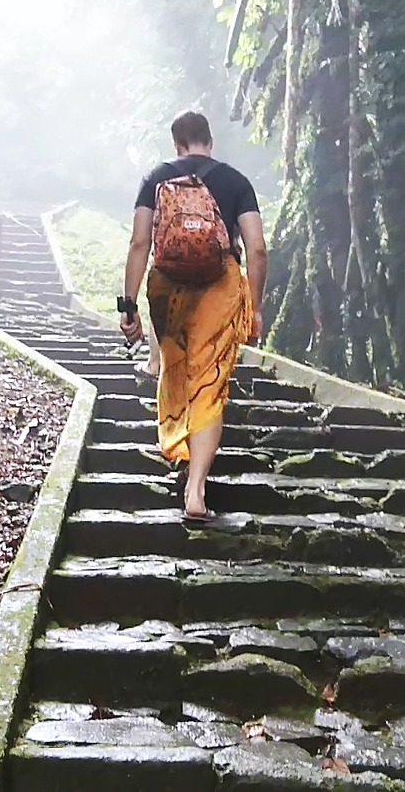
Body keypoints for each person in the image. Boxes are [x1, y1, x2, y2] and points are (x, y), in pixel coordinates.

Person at [119, 112, 268, 523]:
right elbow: (256, 249)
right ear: (210, 141)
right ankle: (196, 490)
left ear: (177, 145)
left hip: (168, 289)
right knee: (210, 384)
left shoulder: (156, 178)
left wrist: (128, 305)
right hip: (220, 289)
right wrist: (253, 307)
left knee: (177, 370)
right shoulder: (236, 182)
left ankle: (177, 442)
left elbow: (139, 242)